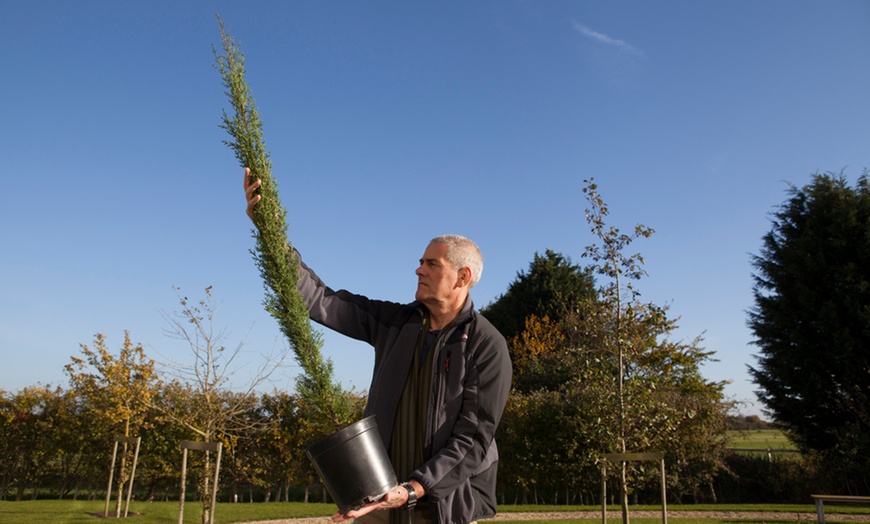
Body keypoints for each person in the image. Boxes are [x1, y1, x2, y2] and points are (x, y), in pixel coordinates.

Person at [244, 168, 512, 524]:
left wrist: (415, 488)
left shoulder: (485, 345)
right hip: (381, 497)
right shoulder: (395, 323)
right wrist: (271, 235)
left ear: (463, 277)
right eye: (420, 262)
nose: (419, 270)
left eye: (432, 264)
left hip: (443, 506)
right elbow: (319, 301)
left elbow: (473, 441)